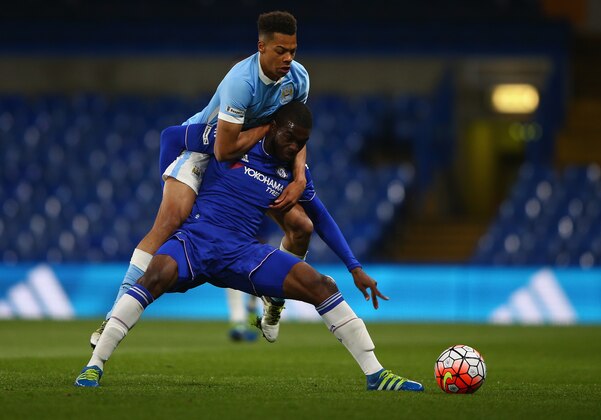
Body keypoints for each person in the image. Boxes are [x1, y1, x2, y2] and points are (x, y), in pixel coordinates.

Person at [74, 102, 424, 392]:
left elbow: (323, 219)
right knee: (155, 273)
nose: (293, 147)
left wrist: (354, 267)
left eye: (301, 143)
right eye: (289, 138)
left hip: (243, 254)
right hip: (195, 241)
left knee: (323, 286)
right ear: (273, 127)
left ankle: (376, 374)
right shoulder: (228, 142)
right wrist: (170, 178)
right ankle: (94, 365)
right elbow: (170, 136)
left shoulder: (293, 173)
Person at [90, 10, 312, 346]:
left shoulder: (298, 79)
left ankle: (275, 301)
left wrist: (298, 178)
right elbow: (223, 150)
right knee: (170, 221)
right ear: (261, 47)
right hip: (208, 148)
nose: (288, 58)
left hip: (251, 156)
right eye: (280, 50)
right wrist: (266, 128)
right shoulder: (242, 81)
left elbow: (295, 136)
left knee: (302, 227)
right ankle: (114, 316)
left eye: (292, 50)